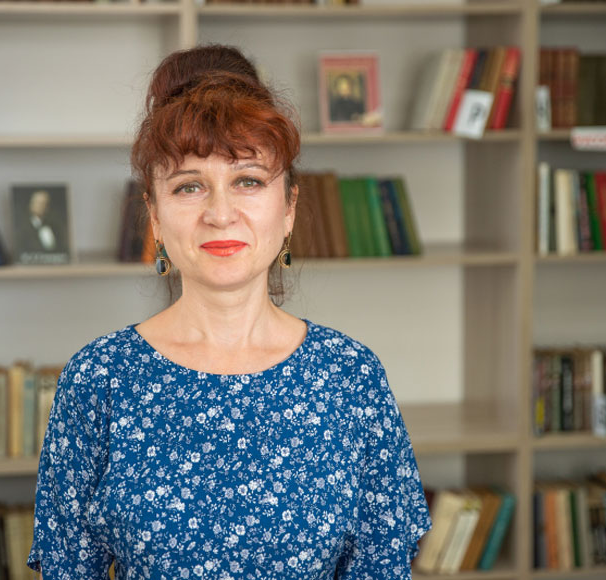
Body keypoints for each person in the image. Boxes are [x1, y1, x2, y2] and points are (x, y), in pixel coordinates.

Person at [27, 44, 431, 580]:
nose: (220, 214)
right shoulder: (98, 379)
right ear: (154, 215)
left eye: (248, 180)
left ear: (289, 208)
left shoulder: (352, 378)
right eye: (189, 186)